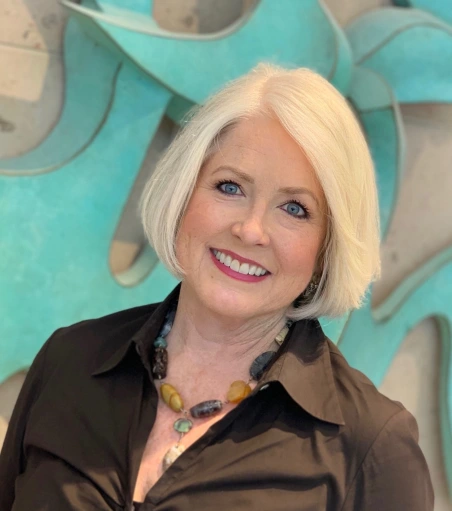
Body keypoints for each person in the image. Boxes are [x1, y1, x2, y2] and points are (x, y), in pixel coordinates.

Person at [0, 63, 433, 510]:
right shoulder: (69, 361)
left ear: (327, 247)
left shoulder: (370, 447)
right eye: (229, 186)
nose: (250, 229)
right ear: (185, 192)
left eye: (294, 209)